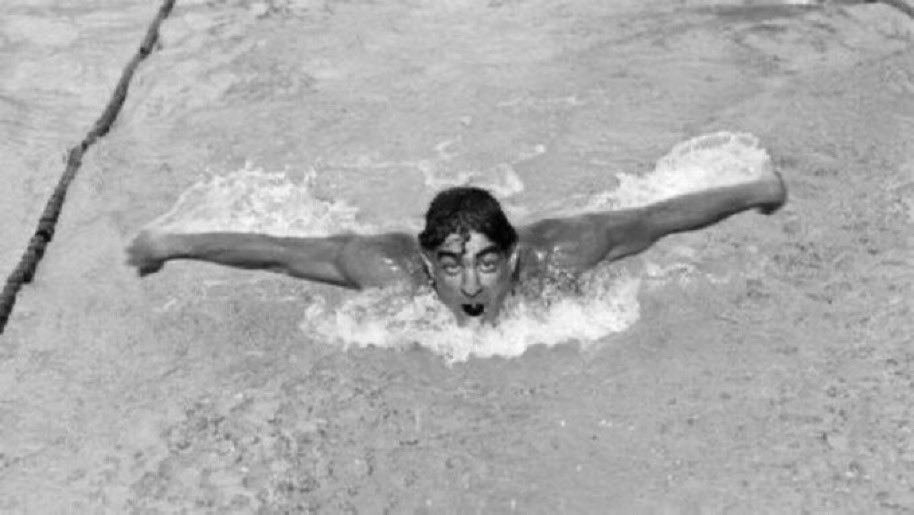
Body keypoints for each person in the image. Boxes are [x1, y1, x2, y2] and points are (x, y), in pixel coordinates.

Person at [127, 170, 787, 325]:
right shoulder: (384, 270)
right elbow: (274, 250)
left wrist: (759, 188)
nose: (470, 286)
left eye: (487, 263)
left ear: (514, 258)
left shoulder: (562, 254)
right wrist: (171, 242)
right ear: (426, 264)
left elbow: (663, 216)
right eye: (450, 265)